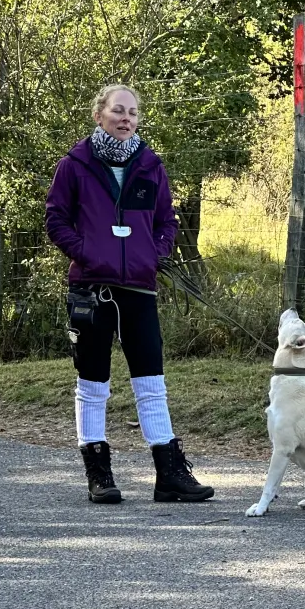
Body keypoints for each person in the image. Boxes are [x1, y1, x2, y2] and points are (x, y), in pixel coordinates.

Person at [44, 84, 213, 504]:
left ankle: (169, 472)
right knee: (93, 381)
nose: (126, 119)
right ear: (99, 114)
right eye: (118, 111)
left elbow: (166, 222)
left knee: (151, 380)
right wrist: (88, 254)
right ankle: (99, 472)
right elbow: (56, 219)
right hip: (90, 288)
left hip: (139, 287)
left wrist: (150, 256)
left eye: (133, 113)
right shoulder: (74, 165)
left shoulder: (151, 165)